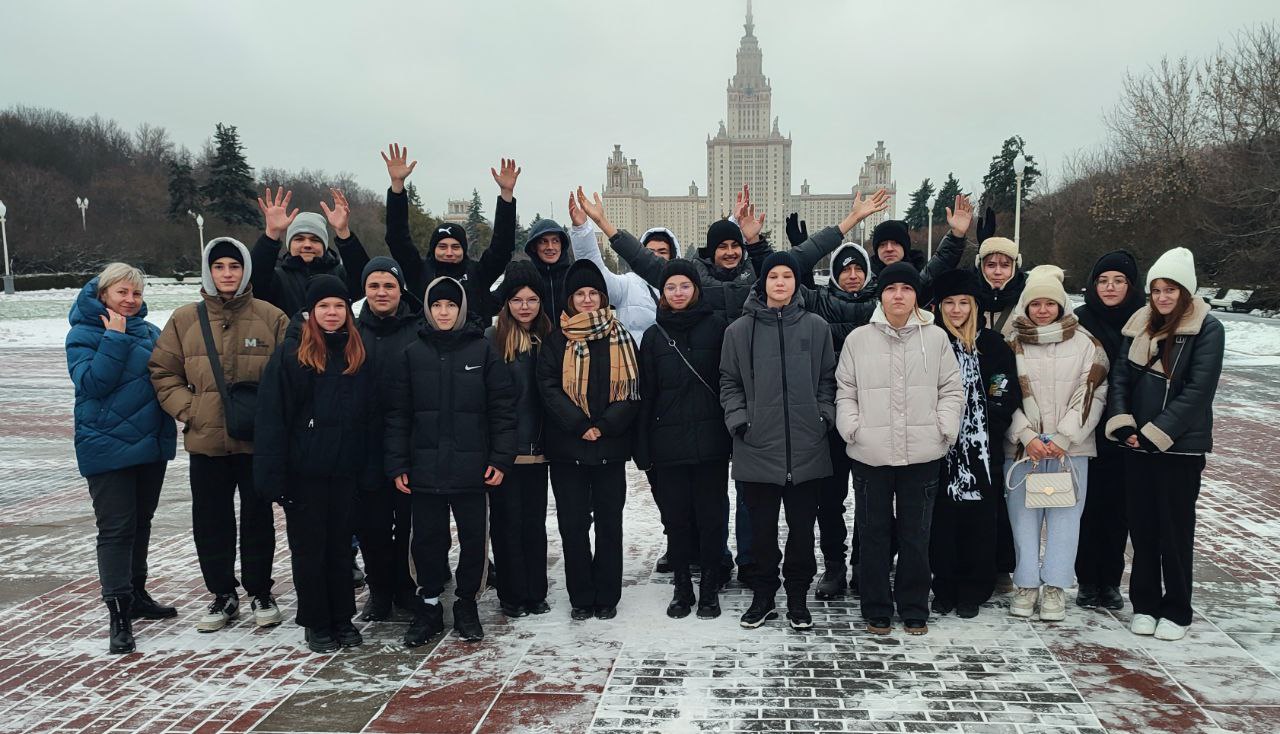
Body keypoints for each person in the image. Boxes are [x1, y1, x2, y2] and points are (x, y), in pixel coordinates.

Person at [149, 239, 288, 633]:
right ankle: (222, 593)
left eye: (234, 266)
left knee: (258, 519)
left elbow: (287, 376)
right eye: (219, 266)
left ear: (246, 270)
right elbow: (163, 372)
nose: (227, 273)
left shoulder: (271, 317)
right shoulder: (184, 320)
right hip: (207, 441)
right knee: (211, 520)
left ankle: (261, 589)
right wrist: (190, 410)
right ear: (209, 272)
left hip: (256, 440)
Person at [387, 277, 517, 645]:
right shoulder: (412, 354)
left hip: (472, 471)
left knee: (475, 540)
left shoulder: (482, 351)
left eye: (451, 306)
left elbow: (502, 412)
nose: (444, 312)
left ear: (461, 309)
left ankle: (466, 604)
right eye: (438, 306)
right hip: (423, 471)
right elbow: (398, 416)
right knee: (426, 540)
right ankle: (428, 605)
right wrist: (398, 464)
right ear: (428, 309)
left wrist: (500, 459)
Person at [836, 263, 964, 636]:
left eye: (906, 289)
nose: (898, 296)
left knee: (915, 534)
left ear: (915, 296)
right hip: (870, 451)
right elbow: (845, 390)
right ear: (881, 295)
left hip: (923, 453)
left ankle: (913, 606)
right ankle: (876, 606)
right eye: (891, 289)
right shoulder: (859, 339)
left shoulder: (935, 338)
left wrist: (944, 428)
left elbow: (951, 390)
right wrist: (852, 428)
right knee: (873, 532)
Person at [1105, 247, 1223, 641]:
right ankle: (1145, 604)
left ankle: (1176, 609)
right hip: (1137, 445)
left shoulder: (1207, 329)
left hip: (1180, 448)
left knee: (1174, 530)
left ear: (1186, 292)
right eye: (1156, 290)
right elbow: (1120, 378)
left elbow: (1197, 391)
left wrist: (1157, 434)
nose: (1163, 297)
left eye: (1171, 289)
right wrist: (1124, 426)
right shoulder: (1139, 324)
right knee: (1141, 529)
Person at [254, 275, 376, 653]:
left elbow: (370, 415)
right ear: (311, 312)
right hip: (304, 473)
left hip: (345, 471)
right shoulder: (292, 355)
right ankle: (316, 621)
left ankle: (342, 617)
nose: (332, 313)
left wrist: (368, 467)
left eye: (339, 306)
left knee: (341, 548)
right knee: (310, 550)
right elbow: (272, 417)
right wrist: (273, 476)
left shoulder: (357, 351)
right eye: (324, 306)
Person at [720, 251, 837, 631]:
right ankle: (764, 596)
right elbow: (729, 382)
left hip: (807, 447)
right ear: (763, 283)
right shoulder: (739, 331)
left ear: (796, 283)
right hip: (757, 448)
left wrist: (823, 417)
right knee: (762, 533)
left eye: (788, 276)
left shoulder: (817, 327)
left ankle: (799, 598)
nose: (781, 282)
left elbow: (828, 379)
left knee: (803, 532)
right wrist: (741, 421)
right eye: (774, 277)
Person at [67, 263, 178, 654]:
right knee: (116, 530)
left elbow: (169, 376)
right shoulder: (83, 334)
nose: (130, 301)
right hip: (106, 446)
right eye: (122, 293)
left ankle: (137, 593)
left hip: (149, 445)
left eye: (136, 294)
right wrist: (113, 338)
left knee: (141, 523)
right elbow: (93, 383)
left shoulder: (150, 332)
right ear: (103, 295)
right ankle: (118, 611)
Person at [1004, 265, 1109, 623]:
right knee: (1023, 519)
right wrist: (1026, 435)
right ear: (1026, 306)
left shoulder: (1085, 343)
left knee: (1065, 519)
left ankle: (1055, 587)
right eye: (1036, 304)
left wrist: (1064, 436)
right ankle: (1026, 583)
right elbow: (1002, 393)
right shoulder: (1011, 342)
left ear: (1062, 305)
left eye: (1051, 303)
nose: (1043, 310)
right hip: (1024, 451)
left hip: (1070, 450)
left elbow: (1093, 392)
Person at [537, 260, 641, 621]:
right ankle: (581, 596)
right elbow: (548, 388)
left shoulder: (622, 336)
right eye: (579, 293)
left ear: (602, 296)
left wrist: (606, 426)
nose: (586, 299)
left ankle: (607, 595)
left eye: (592, 293)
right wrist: (580, 424)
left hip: (610, 449)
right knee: (573, 526)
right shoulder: (556, 340)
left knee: (610, 524)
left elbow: (633, 391)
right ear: (570, 299)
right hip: (569, 450)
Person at [635, 260, 732, 619]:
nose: (678, 293)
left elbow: (728, 383)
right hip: (668, 444)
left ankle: (709, 585)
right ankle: (681, 585)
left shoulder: (717, 328)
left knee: (711, 516)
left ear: (696, 290)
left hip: (711, 442)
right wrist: (642, 445)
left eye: (684, 286)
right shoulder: (653, 336)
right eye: (671, 287)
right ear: (663, 293)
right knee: (676, 518)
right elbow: (646, 394)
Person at [927, 269, 1020, 619]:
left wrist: (991, 421)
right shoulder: (933, 341)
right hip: (940, 446)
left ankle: (974, 587)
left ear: (975, 305)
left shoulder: (993, 344)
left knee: (980, 520)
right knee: (943, 520)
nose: (956, 310)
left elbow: (1003, 386)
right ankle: (945, 586)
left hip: (982, 447)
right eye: (949, 303)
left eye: (963, 302)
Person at [351, 257, 423, 621]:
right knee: (372, 527)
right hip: (365, 448)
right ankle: (379, 591)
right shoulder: (350, 329)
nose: (381, 293)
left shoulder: (418, 328)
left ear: (400, 289)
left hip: (410, 446)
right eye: (374, 286)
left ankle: (407, 589)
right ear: (364, 290)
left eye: (389, 286)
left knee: (410, 526)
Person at [1073, 250, 1145, 612]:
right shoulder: (1082, 319)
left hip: (1130, 427)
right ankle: (1086, 579)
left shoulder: (1144, 319)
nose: (1110, 287)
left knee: (1119, 510)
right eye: (1103, 280)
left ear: (1131, 285)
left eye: (1118, 281)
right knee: (1087, 507)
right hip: (1087, 426)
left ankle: (1110, 581)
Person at [381, 144, 519, 323]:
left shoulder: (478, 274)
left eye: (455, 247)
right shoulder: (418, 271)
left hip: (472, 346)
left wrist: (506, 196)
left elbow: (502, 247)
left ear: (464, 249)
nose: (449, 252)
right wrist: (397, 188)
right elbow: (397, 238)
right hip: (426, 346)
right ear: (433, 248)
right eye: (442, 246)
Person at [486, 261, 554, 618]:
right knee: (506, 523)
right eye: (517, 299)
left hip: (540, 450)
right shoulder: (492, 340)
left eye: (531, 299)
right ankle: (511, 594)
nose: (524, 306)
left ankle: (535, 591)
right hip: (505, 452)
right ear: (507, 303)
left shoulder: (550, 338)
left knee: (534, 524)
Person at [250, 187, 370, 316]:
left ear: (324, 245)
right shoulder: (278, 278)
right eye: (299, 239)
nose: (307, 245)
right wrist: (271, 234)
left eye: (315, 240)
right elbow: (255, 282)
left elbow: (365, 280)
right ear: (289, 245)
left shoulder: (339, 275)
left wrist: (343, 232)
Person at [567, 190, 670, 337]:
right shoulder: (628, 284)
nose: (655, 257)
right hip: (633, 358)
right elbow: (596, 274)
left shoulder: (685, 289)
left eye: (662, 252)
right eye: (649, 252)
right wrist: (582, 229)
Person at [974, 237, 1028, 338]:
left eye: (1005, 265)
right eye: (991, 265)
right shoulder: (969, 300)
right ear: (981, 267)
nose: (998, 272)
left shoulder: (1027, 301)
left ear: (1015, 267)